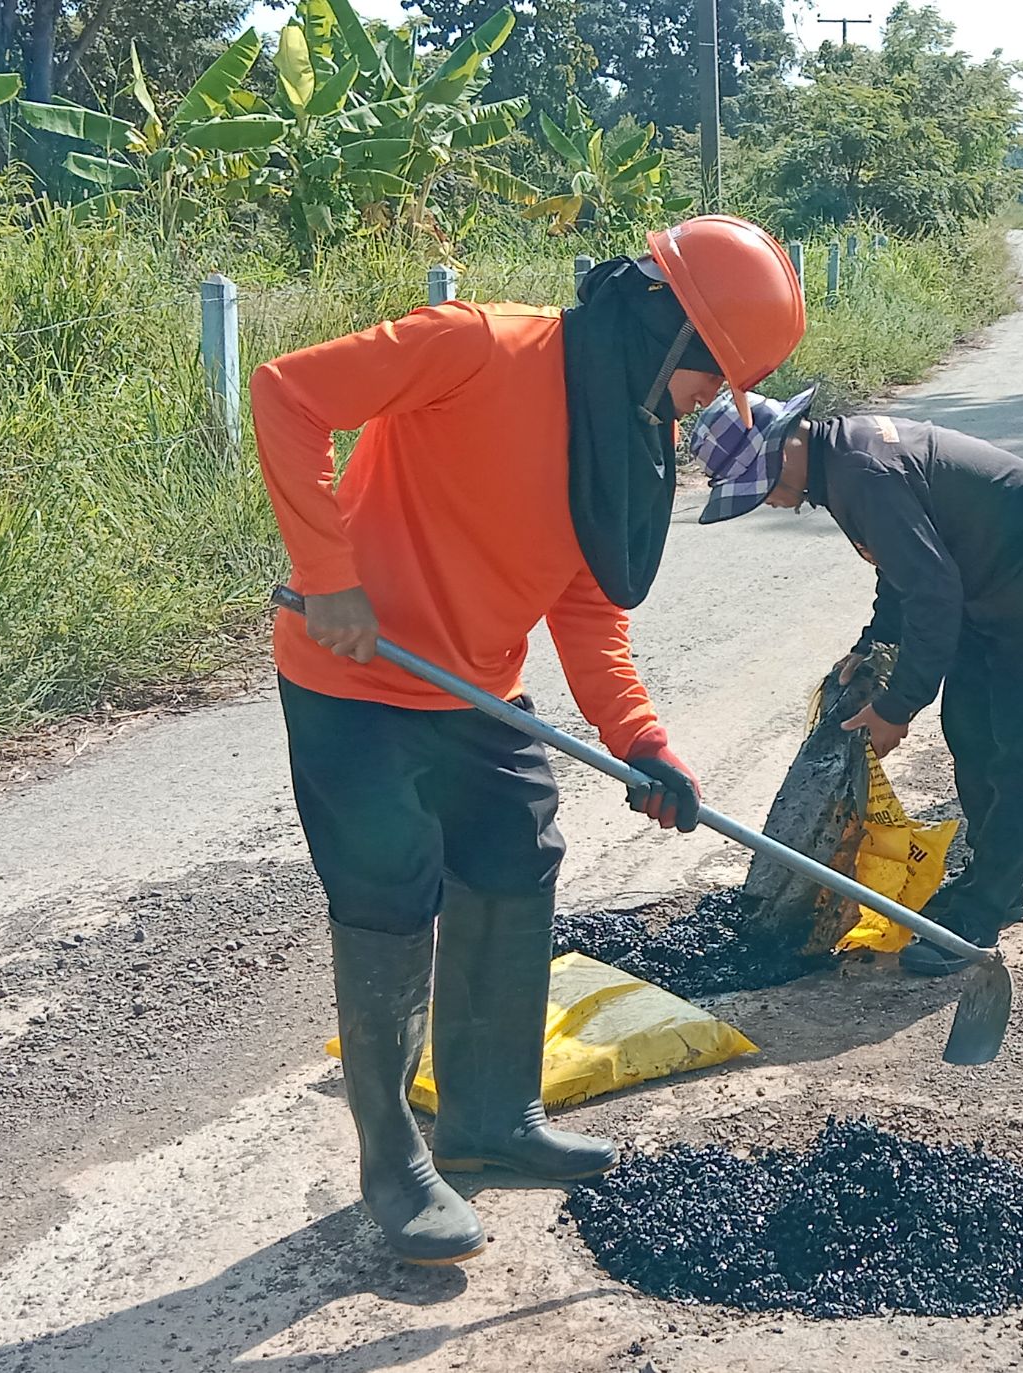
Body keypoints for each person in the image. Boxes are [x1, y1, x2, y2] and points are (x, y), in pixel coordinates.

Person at [252, 215, 805, 1265]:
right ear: (668, 329)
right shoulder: (475, 345)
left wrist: (640, 736)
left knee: (518, 851)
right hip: (355, 678)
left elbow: (588, 603)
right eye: (711, 376)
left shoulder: (621, 435)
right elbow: (287, 392)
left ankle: (490, 1117)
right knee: (390, 891)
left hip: (474, 692)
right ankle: (394, 1160)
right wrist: (328, 576)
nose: (704, 404)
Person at [689, 388, 1023, 977]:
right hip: (979, 578)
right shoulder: (838, 466)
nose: (769, 502)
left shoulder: (863, 472)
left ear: (785, 448)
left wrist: (898, 705)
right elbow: (900, 566)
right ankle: (996, 882)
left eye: (761, 487)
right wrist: (875, 641)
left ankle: (984, 910)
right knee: (970, 730)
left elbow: (931, 593)